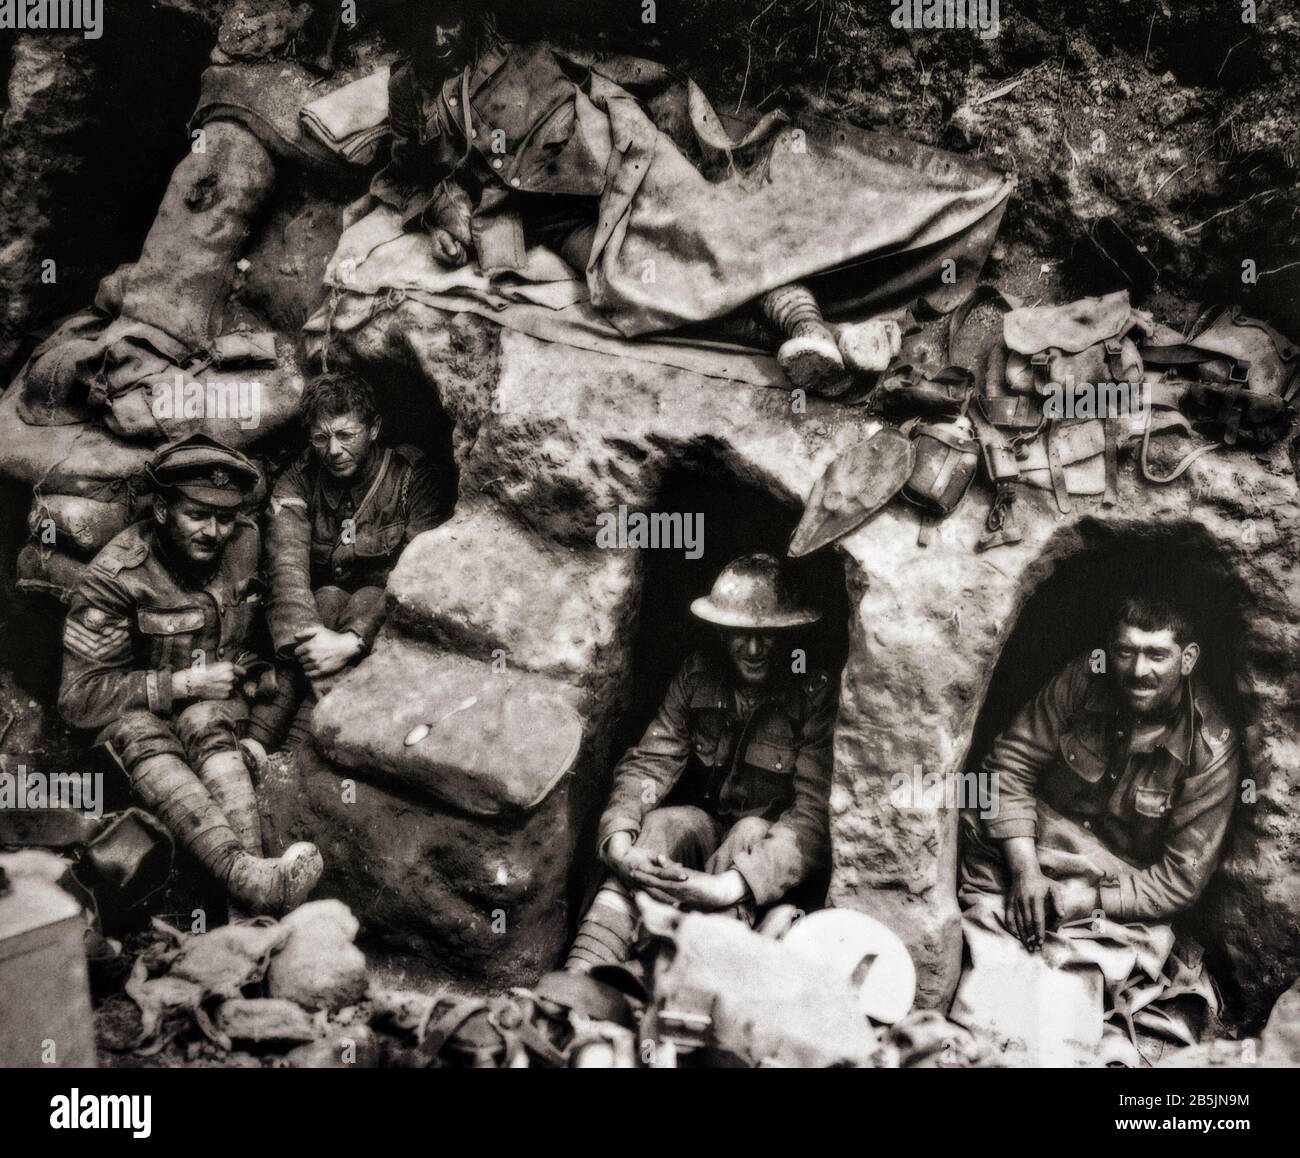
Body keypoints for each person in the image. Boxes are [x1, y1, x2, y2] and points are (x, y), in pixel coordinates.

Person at [364, 2, 894, 395]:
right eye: (423, 23)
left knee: (707, 230)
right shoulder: (407, 88)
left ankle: (804, 323)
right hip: (541, 209)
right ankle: (811, 341)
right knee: (627, 291)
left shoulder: (506, 26)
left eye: (448, 18)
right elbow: (406, 174)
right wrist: (437, 215)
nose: (439, 36)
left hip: (607, 149)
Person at [954, 595, 1241, 1061]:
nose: (1137, 669)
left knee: (1066, 995)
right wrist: (1025, 870)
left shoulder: (1210, 750)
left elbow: (1181, 880)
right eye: (1126, 651)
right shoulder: (1082, 679)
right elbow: (1006, 767)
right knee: (990, 961)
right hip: (1035, 847)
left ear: (1187, 659)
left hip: (1113, 891)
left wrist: (1082, 900)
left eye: (1157, 655)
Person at [58, 434, 323, 914]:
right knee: (142, 731)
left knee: (204, 718)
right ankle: (246, 879)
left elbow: (277, 628)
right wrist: (181, 685)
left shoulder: (246, 542)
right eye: (197, 515)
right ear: (161, 510)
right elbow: (79, 697)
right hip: (140, 726)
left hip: (221, 715)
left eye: (224, 517)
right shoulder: (116, 577)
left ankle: (253, 894)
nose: (214, 531)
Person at [565, 553, 836, 971]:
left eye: (767, 635)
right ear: (721, 631)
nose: (752, 648)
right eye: (739, 633)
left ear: (790, 632)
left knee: (749, 830)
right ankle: (584, 975)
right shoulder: (697, 676)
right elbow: (649, 765)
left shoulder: (813, 693)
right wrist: (619, 841)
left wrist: (730, 886)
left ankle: (689, 982)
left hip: (761, 868)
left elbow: (812, 818)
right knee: (669, 823)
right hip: (701, 843)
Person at [251, 371, 447, 750]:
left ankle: (289, 750)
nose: (333, 450)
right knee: (324, 597)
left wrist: (353, 641)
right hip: (317, 622)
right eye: (321, 438)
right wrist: (314, 647)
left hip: (382, 622)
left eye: (346, 435)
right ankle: (255, 745)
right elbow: (285, 566)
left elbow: (420, 573)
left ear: (374, 429)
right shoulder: (300, 478)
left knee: (359, 597)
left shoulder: (411, 477)